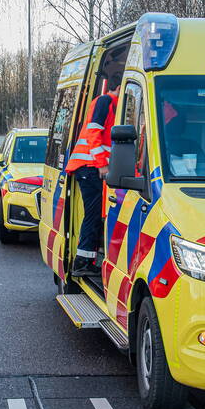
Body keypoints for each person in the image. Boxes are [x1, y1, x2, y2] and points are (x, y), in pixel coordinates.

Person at [66, 79, 121, 277]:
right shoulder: (105, 101)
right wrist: (102, 164)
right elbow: (93, 133)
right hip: (89, 167)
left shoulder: (113, 105)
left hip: (90, 167)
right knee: (94, 213)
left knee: (96, 213)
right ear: (119, 87)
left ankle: (87, 259)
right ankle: (82, 262)